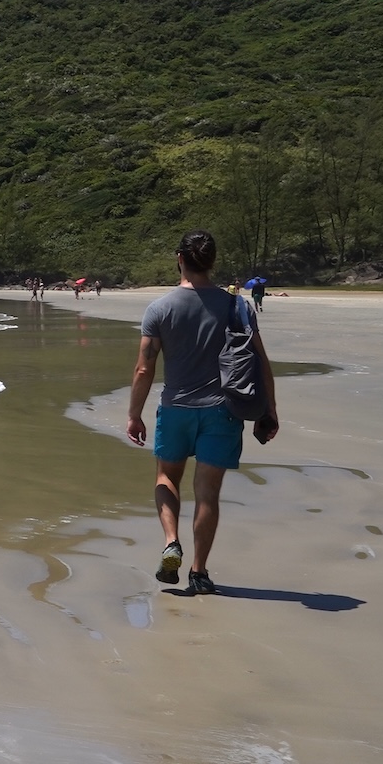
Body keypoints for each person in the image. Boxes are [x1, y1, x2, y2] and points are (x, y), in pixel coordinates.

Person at [125, 230, 279, 594]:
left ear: (180, 258)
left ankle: (170, 542)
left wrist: (134, 414)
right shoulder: (235, 306)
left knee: (166, 480)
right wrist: (268, 410)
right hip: (222, 411)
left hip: (176, 409)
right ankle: (199, 572)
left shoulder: (160, 308)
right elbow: (260, 361)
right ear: (211, 261)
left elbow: (144, 368)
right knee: (207, 493)